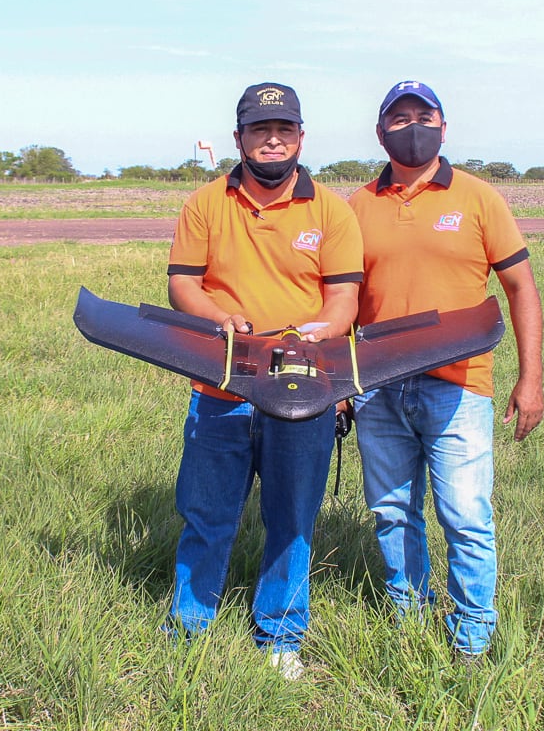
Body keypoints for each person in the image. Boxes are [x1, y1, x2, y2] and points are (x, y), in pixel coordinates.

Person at [164, 82, 364, 679]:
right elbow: (183, 285)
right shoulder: (205, 204)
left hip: (302, 394)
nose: (271, 140)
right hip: (219, 387)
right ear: (239, 138)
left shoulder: (331, 209)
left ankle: (280, 635)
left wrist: (317, 331)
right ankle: (189, 628)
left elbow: (345, 298)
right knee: (207, 513)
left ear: (301, 137)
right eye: (259, 129)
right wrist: (219, 319)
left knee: (292, 517)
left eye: (283, 130)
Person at [348, 80, 544, 659]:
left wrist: (529, 378)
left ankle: (473, 630)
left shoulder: (479, 199)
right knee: (391, 511)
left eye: (424, 115)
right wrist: (338, 381)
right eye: (399, 117)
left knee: (464, 514)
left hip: (458, 384)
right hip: (376, 385)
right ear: (381, 131)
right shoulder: (357, 205)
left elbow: (520, 288)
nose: (413, 126)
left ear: (443, 124)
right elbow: (341, 297)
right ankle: (408, 614)